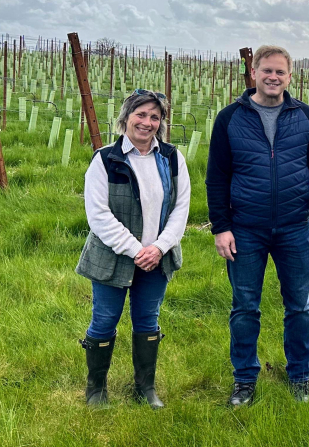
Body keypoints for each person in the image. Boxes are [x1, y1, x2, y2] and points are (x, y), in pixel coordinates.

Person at [206, 45, 309, 406]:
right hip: (245, 229)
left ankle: (300, 377)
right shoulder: (230, 118)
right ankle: (245, 379)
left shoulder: (305, 117)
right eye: (267, 71)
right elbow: (216, 177)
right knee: (245, 306)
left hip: (295, 227)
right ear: (254, 73)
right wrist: (221, 226)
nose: (273, 77)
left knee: (300, 307)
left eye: (280, 72)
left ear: (289, 76)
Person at [76, 89, 191, 409]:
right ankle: (96, 390)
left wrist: (159, 247)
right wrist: (135, 249)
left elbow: (181, 209)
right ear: (126, 118)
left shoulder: (171, 158)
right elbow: (98, 214)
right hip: (113, 257)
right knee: (104, 319)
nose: (147, 122)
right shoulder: (105, 159)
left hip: (158, 257)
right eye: (140, 114)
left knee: (147, 319)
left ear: (161, 123)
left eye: (155, 116)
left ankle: (145, 388)